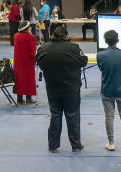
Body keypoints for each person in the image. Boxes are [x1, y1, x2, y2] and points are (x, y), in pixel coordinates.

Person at [36, 24, 87, 153]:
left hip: (52, 88)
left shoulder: (43, 48)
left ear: (53, 35)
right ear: (66, 36)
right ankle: (75, 145)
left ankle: (53, 146)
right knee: (73, 116)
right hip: (71, 88)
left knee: (55, 115)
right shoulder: (73, 48)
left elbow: (39, 62)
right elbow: (84, 61)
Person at [97, 29, 121, 152]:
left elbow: (101, 68)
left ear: (105, 41)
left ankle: (111, 143)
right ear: (117, 41)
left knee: (109, 117)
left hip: (106, 90)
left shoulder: (100, 55)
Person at [13, 21, 37, 105]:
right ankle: (28, 98)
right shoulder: (31, 37)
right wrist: (34, 60)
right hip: (27, 62)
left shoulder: (15, 36)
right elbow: (32, 52)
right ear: (27, 28)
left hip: (17, 62)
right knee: (28, 79)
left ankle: (19, 99)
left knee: (19, 79)